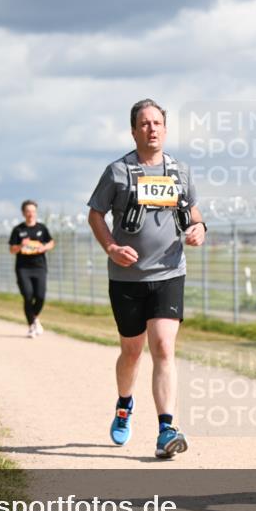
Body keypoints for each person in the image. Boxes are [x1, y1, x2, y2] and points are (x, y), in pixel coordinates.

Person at [87, 98, 207, 459]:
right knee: (132, 351)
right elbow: (95, 215)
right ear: (134, 130)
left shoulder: (179, 172)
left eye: (157, 123)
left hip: (170, 271)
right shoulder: (117, 172)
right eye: (144, 123)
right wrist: (111, 248)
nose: (152, 128)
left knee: (164, 347)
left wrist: (200, 227)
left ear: (165, 129)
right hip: (126, 278)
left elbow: (193, 211)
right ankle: (124, 404)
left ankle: (166, 429)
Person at [8, 200, 55, 338]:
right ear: (23, 213)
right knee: (28, 296)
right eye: (28, 211)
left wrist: (44, 247)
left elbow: (51, 242)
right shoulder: (18, 230)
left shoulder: (41, 228)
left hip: (39, 267)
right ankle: (31, 325)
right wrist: (21, 246)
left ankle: (34, 319)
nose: (31, 214)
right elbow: (12, 249)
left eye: (33, 211)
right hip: (23, 268)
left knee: (40, 296)